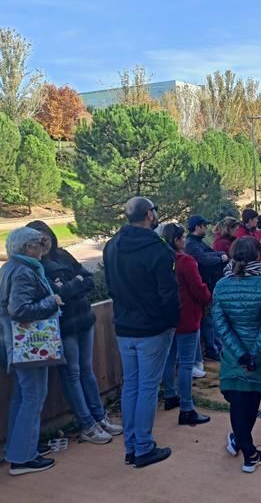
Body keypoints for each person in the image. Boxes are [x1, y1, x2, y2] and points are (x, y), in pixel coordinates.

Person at [26, 221, 122, 446]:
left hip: (84, 321)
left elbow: (87, 279)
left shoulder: (63, 255)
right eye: (38, 239)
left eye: (46, 236)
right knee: (72, 375)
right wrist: (73, 284)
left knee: (87, 371)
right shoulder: (34, 266)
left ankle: (99, 418)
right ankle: (86, 424)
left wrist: (70, 286)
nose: (44, 242)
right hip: (63, 328)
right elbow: (55, 294)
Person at [103, 197, 179, 468]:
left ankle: (132, 447)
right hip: (152, 329)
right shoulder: (158, 250)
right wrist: (172, 322)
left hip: (125, 327)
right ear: (149, 214)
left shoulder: (112, 246)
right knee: (147, 388)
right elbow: (168, 293)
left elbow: (111, 285)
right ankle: (143, 447)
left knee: (131, 387)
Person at [0, 227, 64, 475]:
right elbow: (20, 310)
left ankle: (19, 448)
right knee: (33, 397)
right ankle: (23, 458)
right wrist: (50, 302)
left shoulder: (10, 268)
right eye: (37, 244)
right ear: (26, 248)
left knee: (22, 397)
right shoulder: (23, 271)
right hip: (29, 347)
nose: (43, 249)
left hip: (17, 347)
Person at [212, 237, 261, 473]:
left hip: (233, 354)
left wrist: (240, 355)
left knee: (239, 403)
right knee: (251, 401)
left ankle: (241, 442)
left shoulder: (221, 285)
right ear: (258, 256)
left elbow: (221, 326)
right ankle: (249, 453)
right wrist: (254, 354)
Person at [158, 223, 212, 426]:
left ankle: (171, 395)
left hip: (168, 317)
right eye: (182, 238)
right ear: (177, 240)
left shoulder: (162, 260)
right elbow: (198, 288)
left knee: (169, 358)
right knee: (187, 363)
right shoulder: (185, 261)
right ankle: (187, 408)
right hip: (188, 314)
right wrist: (208, 298)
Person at [185, 215, 229, 362]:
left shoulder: (198, 242)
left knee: (211, 318)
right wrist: (220, 258)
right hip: (201, 286)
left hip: (208, 284)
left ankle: (216, 346)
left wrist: (220, 255)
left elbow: (210, 253)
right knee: (208, 320)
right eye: (204, 225)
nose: (206, 228)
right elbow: (205, 259)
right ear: (197, 227)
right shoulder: (191, 244)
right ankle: (212, 349)